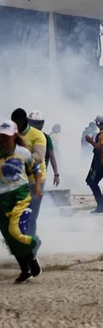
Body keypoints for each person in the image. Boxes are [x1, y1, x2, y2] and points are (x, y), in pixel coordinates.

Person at [0, 119, 43, 284]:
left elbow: (36, 171)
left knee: (16, 231)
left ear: (15, 136)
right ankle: (26, 269)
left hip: (19, 196)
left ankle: (33, 247)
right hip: (1, 198)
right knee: (8, 236)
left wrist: (37, 187)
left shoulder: (23, 152)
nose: (3, 139)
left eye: (7, 136)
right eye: (1, 136)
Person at [11, 109, 49, 235]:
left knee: (31, 215)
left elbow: (39, 157)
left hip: (35, 180)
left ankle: (31, 245)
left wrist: (18, 159)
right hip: (17, 180)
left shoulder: (38, 135)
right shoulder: (11, 134)